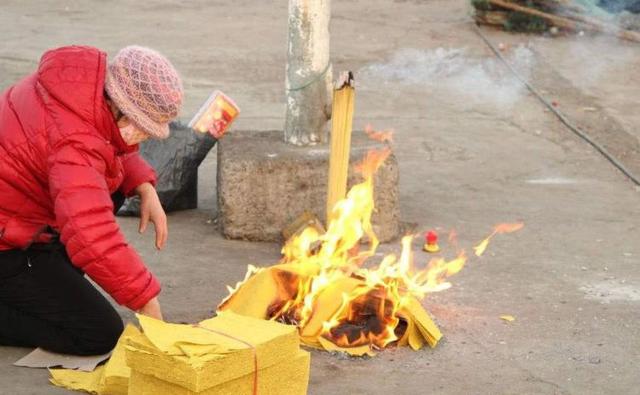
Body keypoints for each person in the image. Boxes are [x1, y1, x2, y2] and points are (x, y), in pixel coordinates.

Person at [0, 45, 183, 355]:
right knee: (99, 333)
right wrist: (148, 304)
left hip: (19, 215)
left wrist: (142, 185)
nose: (146, 138)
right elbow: (92, 234)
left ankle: (46, 274)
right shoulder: (74, 143)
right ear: (121, 110)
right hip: (8, 244)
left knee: (111, 190)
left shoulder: (77, 90)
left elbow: (109, 146)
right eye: (144, 130)